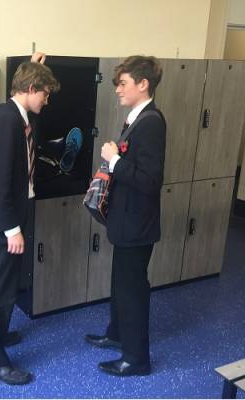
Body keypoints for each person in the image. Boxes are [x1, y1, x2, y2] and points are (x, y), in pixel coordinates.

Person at [0, 52, 59, 385]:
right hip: (6, 221)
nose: (46, 101)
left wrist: (33, 62)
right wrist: (12, 229)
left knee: (8, 284)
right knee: (0, 289)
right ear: (31, 88)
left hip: (16, 214)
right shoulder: (6, 119)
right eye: (44, 93)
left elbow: (27, 145)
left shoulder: (20, 116)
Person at [85, 55, 166, 376]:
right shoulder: (137, 118)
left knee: (132, 289)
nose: (117, 89)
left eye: (123, 83)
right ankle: (117, 334)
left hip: (137, 224)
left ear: (143, 84)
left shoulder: (152, 123)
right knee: (121, 284)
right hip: (126, 221)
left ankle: (136, 358)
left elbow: (150, 181)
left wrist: (115, 160)